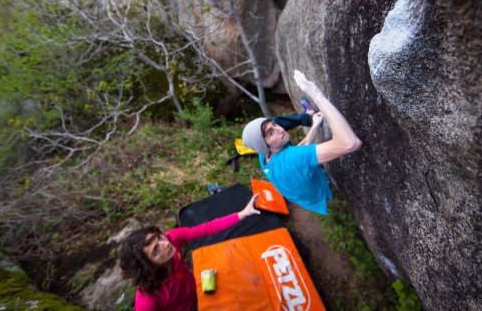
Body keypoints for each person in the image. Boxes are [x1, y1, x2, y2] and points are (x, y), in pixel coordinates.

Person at [242, 70, 362, 215]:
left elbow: (296, 153)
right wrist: (317, 95)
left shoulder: (264, 157)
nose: (279, 129)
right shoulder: (292, 158)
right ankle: (309, 115)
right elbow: (349, 143)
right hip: (317, 193)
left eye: (274, 124)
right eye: (270, 133)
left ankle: (308, 116)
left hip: (301, 196)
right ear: (264, 145)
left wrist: (315, 126)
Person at [120, 194, 260, 311]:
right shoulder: (147, 301)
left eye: (159, 237)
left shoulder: (172, 238)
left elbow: (208, 228)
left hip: (198, 292)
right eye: (156, 250)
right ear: (147, 265)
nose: (165, 243)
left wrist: (242, 214)